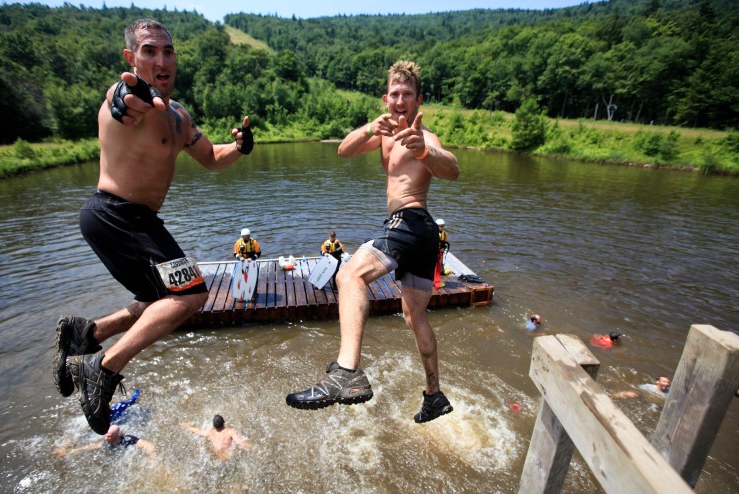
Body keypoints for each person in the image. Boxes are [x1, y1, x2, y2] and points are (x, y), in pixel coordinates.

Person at [53, 18, 254, 435]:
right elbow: (122, 101)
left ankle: (89, 331)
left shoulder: (179, 115)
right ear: (132, 58)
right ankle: (103, 368)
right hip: (116, 214)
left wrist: (239, 146)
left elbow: (212, 158)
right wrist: (130, 97)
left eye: (167, 51)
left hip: (135, 221)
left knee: (159, 298)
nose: (161, 59)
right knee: (192, 293)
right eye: (149, 51)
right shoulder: (128, 95)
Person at [286, 60, 460, 423]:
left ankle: (347, 373)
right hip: (423, 234)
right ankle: (434, 395)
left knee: (349, 276)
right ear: (385, 98)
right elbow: (344, 150)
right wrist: (370, 128)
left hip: (410, 221)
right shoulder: (382, 132)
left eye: (407, 95)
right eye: (394, 94)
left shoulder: (422, 137)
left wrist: (424, 151)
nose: (400, 100)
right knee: (415, 316)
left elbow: (453, 169)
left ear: (418, 99)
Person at [54, 424, 155, 459]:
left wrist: (152, 457)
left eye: (109, 436)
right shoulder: (106, 442)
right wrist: (71, 451)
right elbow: (92, 446)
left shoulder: (128, 440)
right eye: (106, 436)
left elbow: (148, 444)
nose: (106, 438)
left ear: (116, 436)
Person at [180, 414, 252, 460]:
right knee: (238, 450)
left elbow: (198, 431)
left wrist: (187, 426)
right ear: (224, 422)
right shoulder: (230, 431)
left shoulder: (210, 432)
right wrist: (254, 449)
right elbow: (241, 443)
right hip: (228, 457)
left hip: (218, 457)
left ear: (214, 425)